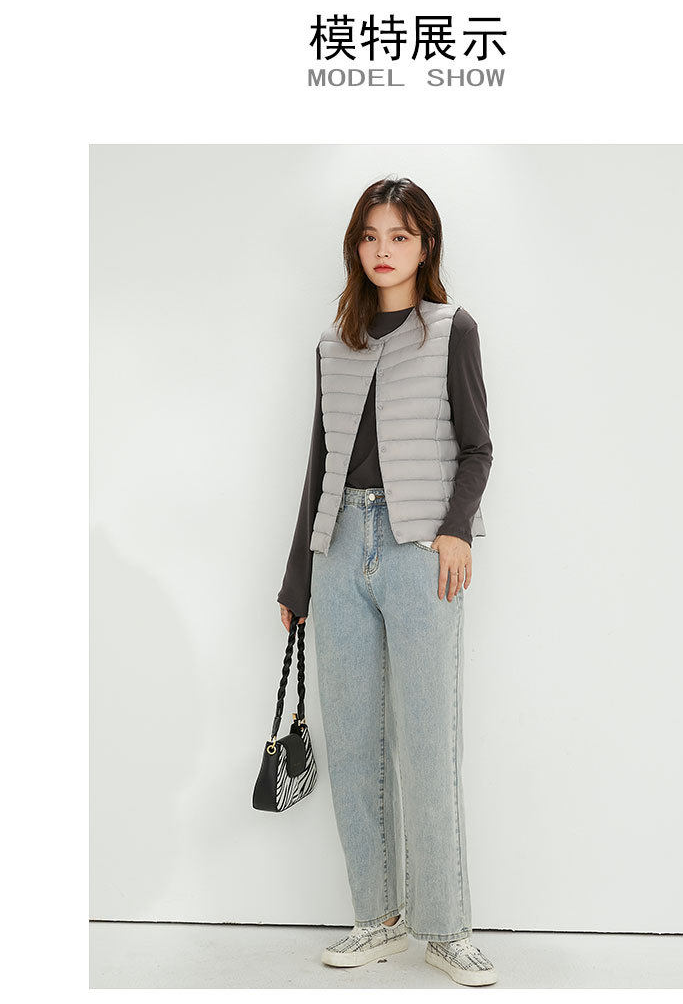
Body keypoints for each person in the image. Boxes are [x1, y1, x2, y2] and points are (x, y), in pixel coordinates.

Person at [276, 177, 497, 987]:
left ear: (425, 244)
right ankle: (379, 917)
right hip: (339, 549)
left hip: (418, 552)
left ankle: (448, 927)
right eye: (370, 235)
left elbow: (477, 446)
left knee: (429, 741)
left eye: (399, 235)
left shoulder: (452, 329)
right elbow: (319, 464)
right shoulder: (335, 344)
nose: (382, 250)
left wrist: (455, 530)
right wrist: (298, 578)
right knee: (355, 743)